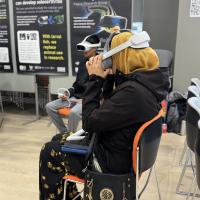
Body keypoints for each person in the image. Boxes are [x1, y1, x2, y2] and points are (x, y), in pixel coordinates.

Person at [39, 31, 169, 200]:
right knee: (58, 138)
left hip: (109, 162)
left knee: (49, 150)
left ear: (122, 56)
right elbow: (109, 102)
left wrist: (94, 78)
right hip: (118, 149)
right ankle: (70, 195)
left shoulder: (132, 93)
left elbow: (89, 122)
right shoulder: (145, 81)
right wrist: (109, 77)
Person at [45, 34, 100, 134]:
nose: (84, 51)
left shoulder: (100, 63)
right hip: (75, 98)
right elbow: (77, 84)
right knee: (49, 106)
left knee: (74, 113)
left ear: (95, 48)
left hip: (89, 100)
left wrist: (84, 99)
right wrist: (68, 93)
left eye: (86, 48)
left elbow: (99, 88)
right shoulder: (83, 63)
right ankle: (65, 134)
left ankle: (70, 139)